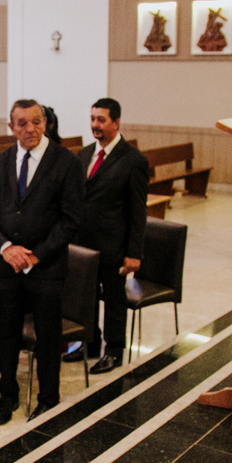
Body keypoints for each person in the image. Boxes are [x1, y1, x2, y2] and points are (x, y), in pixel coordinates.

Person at [0, 99, 84, 425]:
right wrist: (7, 248)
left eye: (36, 121)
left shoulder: (66, 162)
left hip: (46, 268)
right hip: (6, 267)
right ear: (11, 128)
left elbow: (70, 220)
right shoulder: (0, 162)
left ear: (45, 123)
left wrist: (36, 255)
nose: (30, 129)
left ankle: (48, 398)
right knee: (6, 333)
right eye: (22, 123)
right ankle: (7, 395)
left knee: (48, 337)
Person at [69, 98, 148, 374]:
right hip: (84, 242)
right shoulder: (84, 154)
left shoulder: (133, 160)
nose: (95, 125)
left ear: (116, 122)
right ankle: (89, 343)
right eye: (93, 119)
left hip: (114, 244)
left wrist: (134, 253)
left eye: (101, 120)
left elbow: (138, 211)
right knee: (86, 297)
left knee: (114, 300)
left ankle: (114, 351)